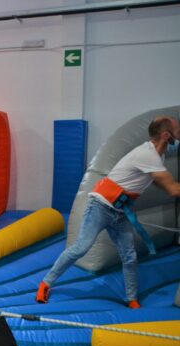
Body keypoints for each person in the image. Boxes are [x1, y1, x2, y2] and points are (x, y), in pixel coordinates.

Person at [36, 116, 180, 308]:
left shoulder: (158, 156)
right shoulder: (149, 156)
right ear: (166, 136)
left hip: (120, 212)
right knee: (81, 247)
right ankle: (46, 282)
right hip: (100, 206)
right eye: (178, 132)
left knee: (129, 256)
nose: (179, 136)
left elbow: (156, 181)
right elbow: (173, 190)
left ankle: (131, 298)